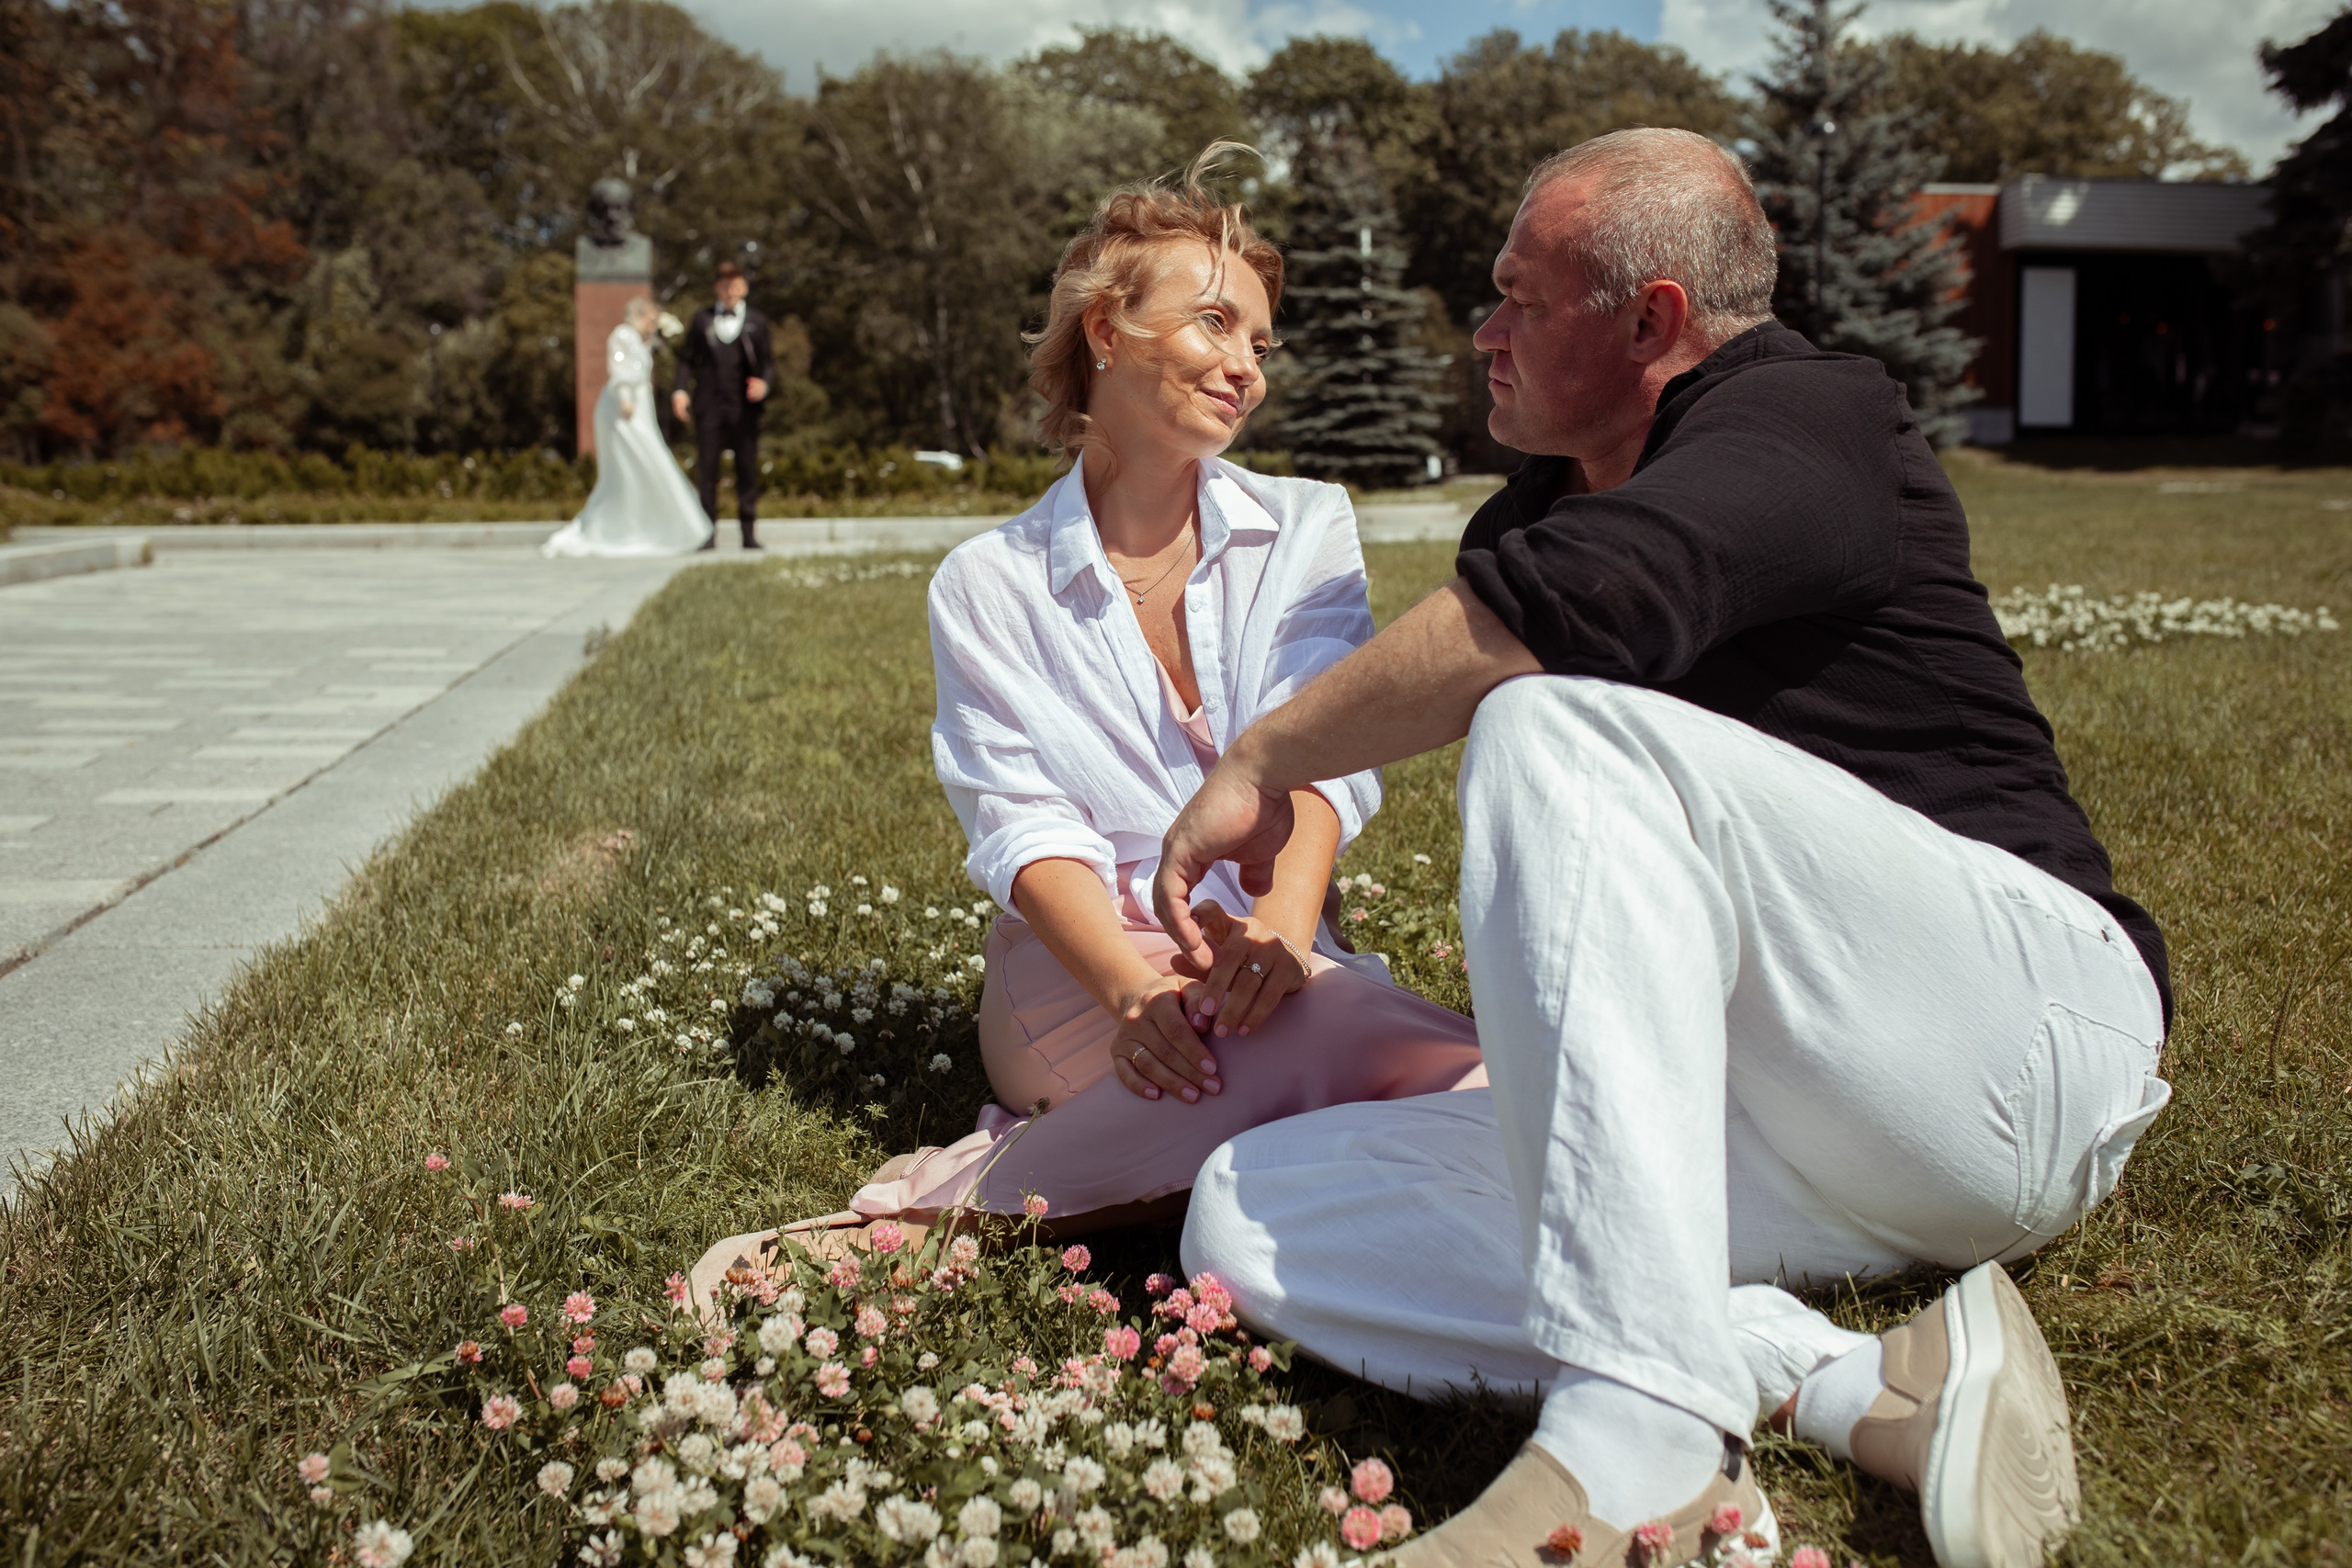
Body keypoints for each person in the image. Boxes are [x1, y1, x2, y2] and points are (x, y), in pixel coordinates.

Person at [1161, 130, 2171, 1568]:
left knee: (1549, 718)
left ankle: (1639, 1450)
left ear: (1652, 320)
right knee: (1251, 1213)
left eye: (1519, 298)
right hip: (1794, 1113)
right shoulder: (1545, 502)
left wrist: (1265, 756)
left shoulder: (1813, 418)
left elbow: (1591, 600)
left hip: (2022, 1038)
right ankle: (1850, 1376)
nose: (1484, 332)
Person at [688, 148, 1484, 1299]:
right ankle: (934, 1220)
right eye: (1214, 323)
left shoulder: (1309, 525)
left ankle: (1064, 1179)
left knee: (1307, 1031)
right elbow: (1023, 827)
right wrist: (1134, 995)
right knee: (1359, 1057)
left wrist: (1285, 928)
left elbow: (1328, 748)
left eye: (1261, 343)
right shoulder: (986, 582)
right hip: (1081, 973)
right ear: (1106, 332)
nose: (1246, 367)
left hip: (1276, 952)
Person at [542, 297, 712, 558]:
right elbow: (618, 367)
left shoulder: (639, 339)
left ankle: (656, 527)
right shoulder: (622, 335)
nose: (653, 324)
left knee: (645, 465)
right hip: (624, 410)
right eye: (650, 319)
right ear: (639, 315)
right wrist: (624, 398)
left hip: (639, 407)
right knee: (641, 463)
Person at [672, 260, 775, 551]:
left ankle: (748, 533)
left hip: (744, 407)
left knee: (747, 469)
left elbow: (768, 363)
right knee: (707, 470)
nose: (730, 291)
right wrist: (680, 390)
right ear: (717, 288)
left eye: (736, 285)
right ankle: (707, 533)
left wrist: (764, 385)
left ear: (744, 288)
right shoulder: (702, 319)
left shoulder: (757, 321)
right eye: (725, 286)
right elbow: (686, 359)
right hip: (709, 405)